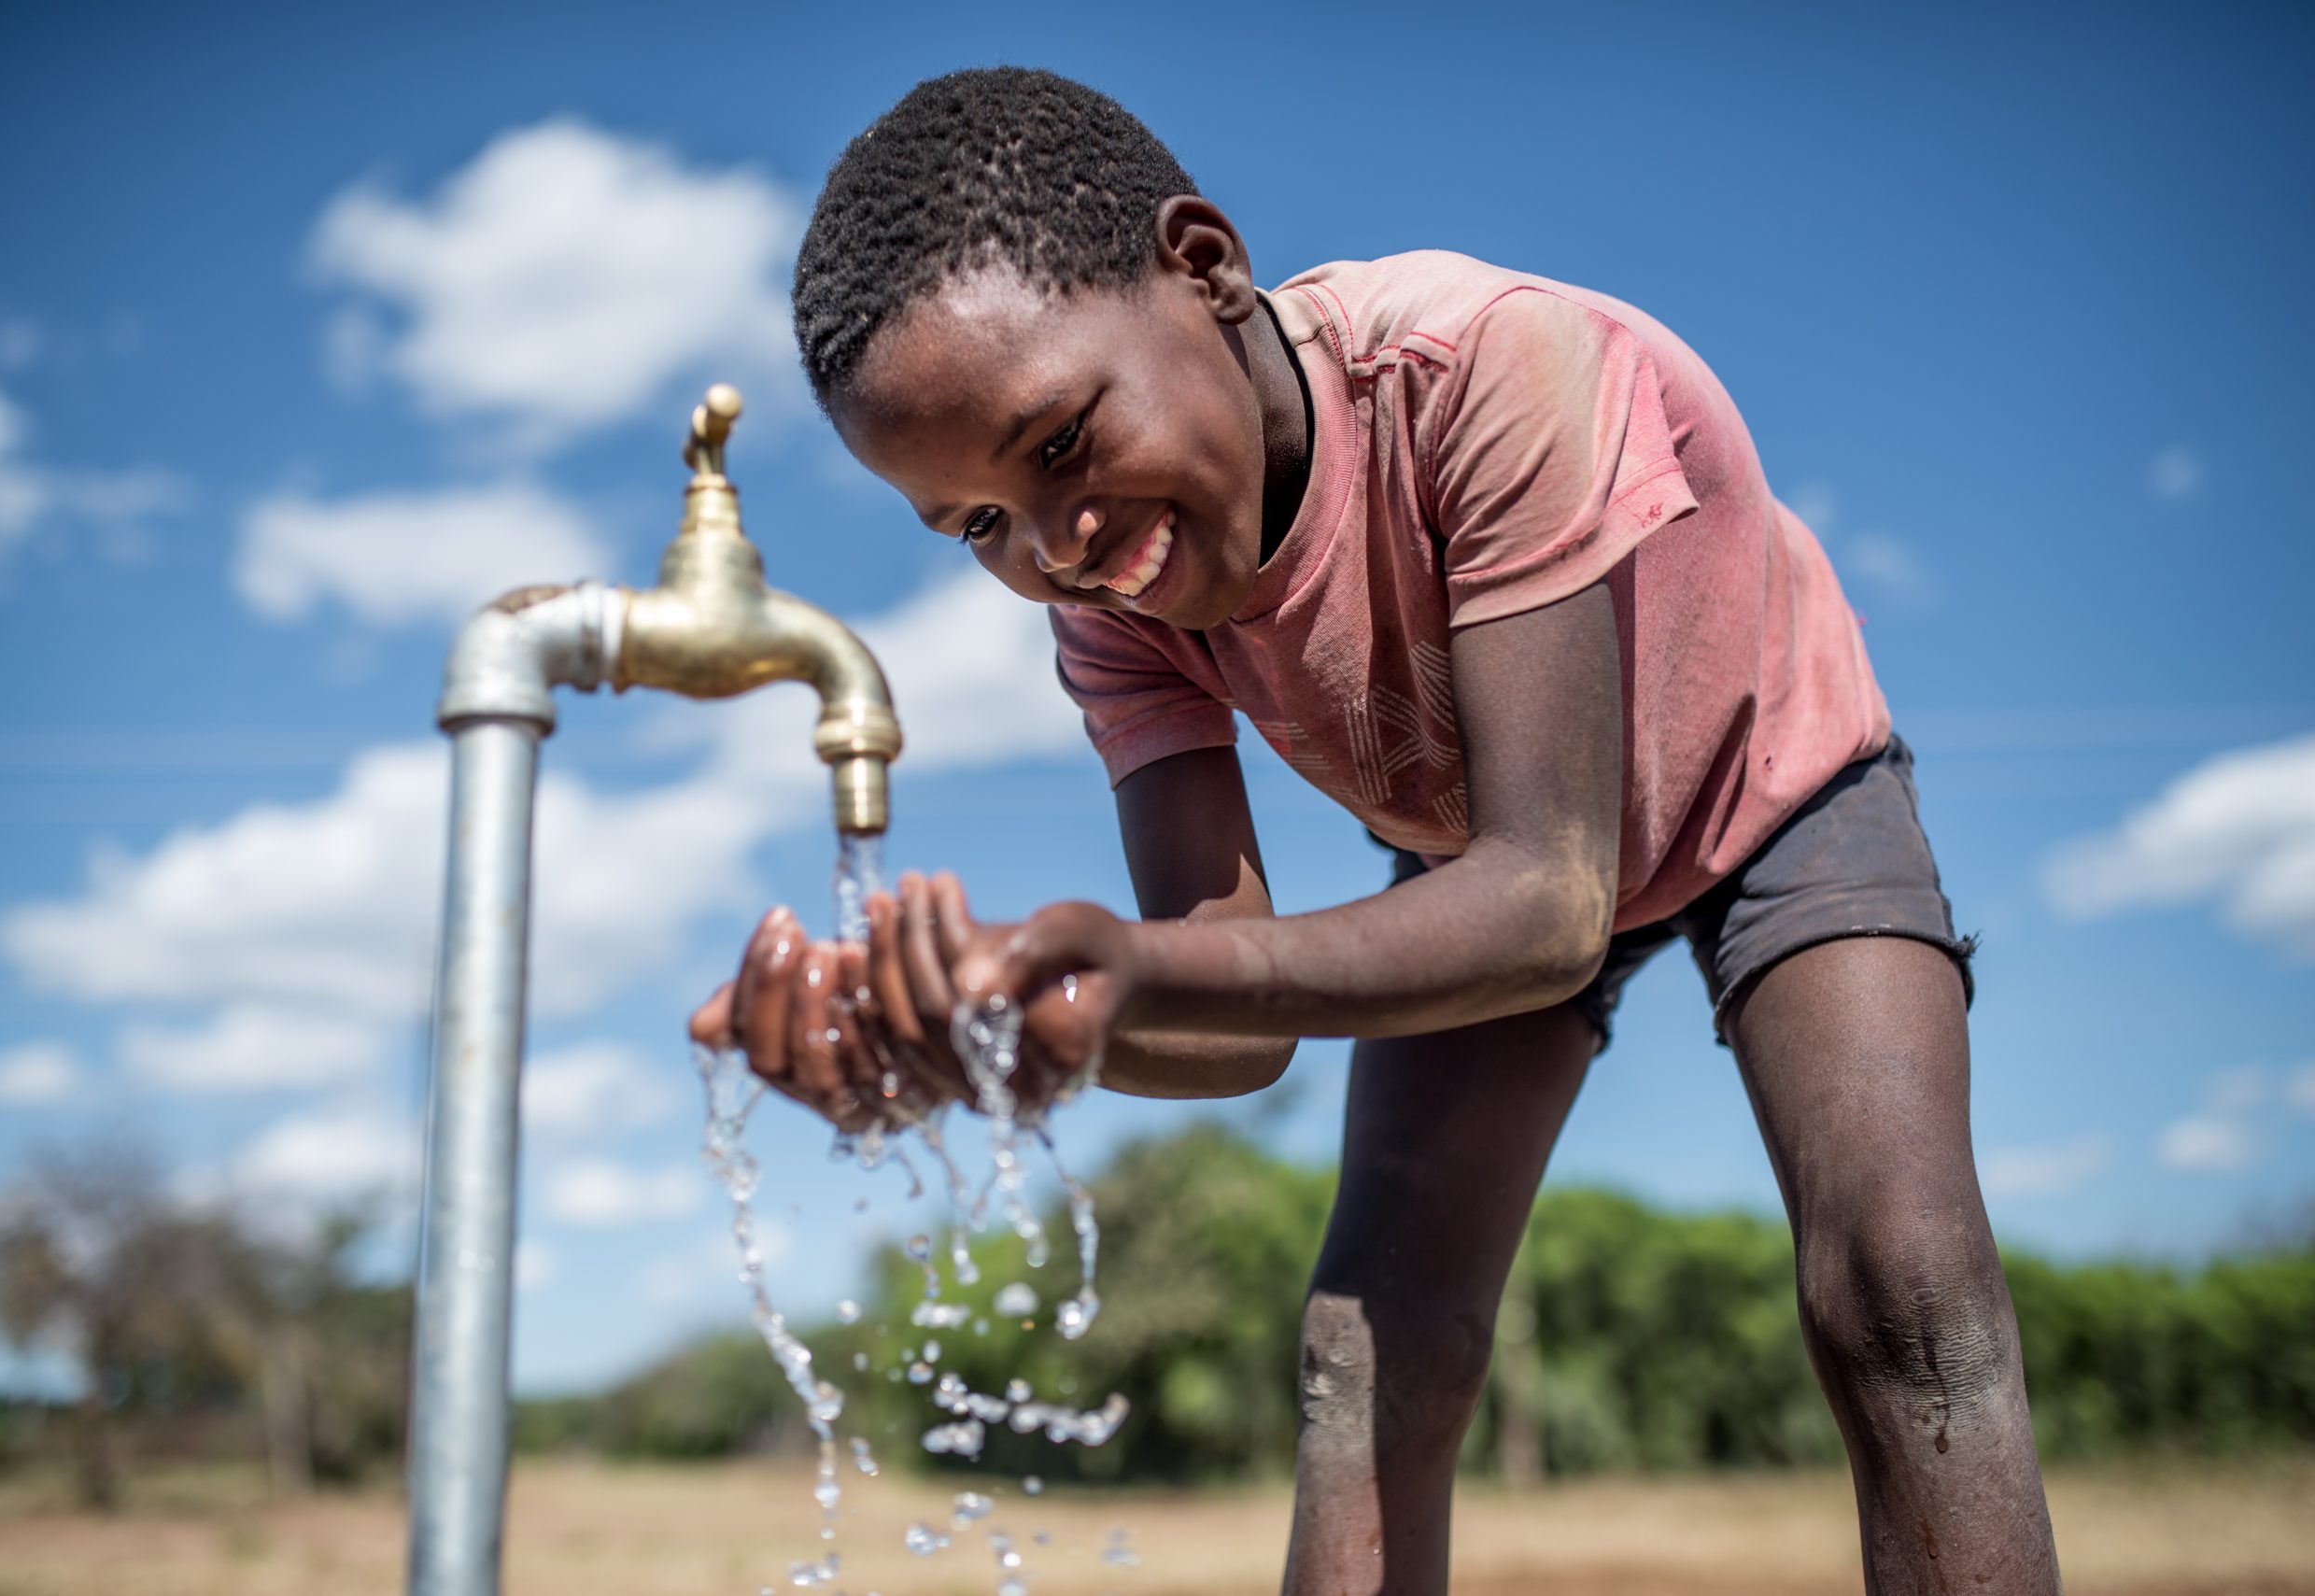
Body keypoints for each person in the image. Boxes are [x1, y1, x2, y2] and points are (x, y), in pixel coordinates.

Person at [689, 66, 2061, 1595]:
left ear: (1204, 269)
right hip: (1478, 851)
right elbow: (1229, 1014)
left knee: (1903, 1285)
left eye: (1063, 443)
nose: (1054, 548)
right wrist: (1003, 1030)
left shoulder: (1486, 369)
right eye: (978, 525)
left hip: (1768, 778)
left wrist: (1129, 972)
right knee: (1365, 1349)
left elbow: (1549, 906)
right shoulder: (1125, 606)